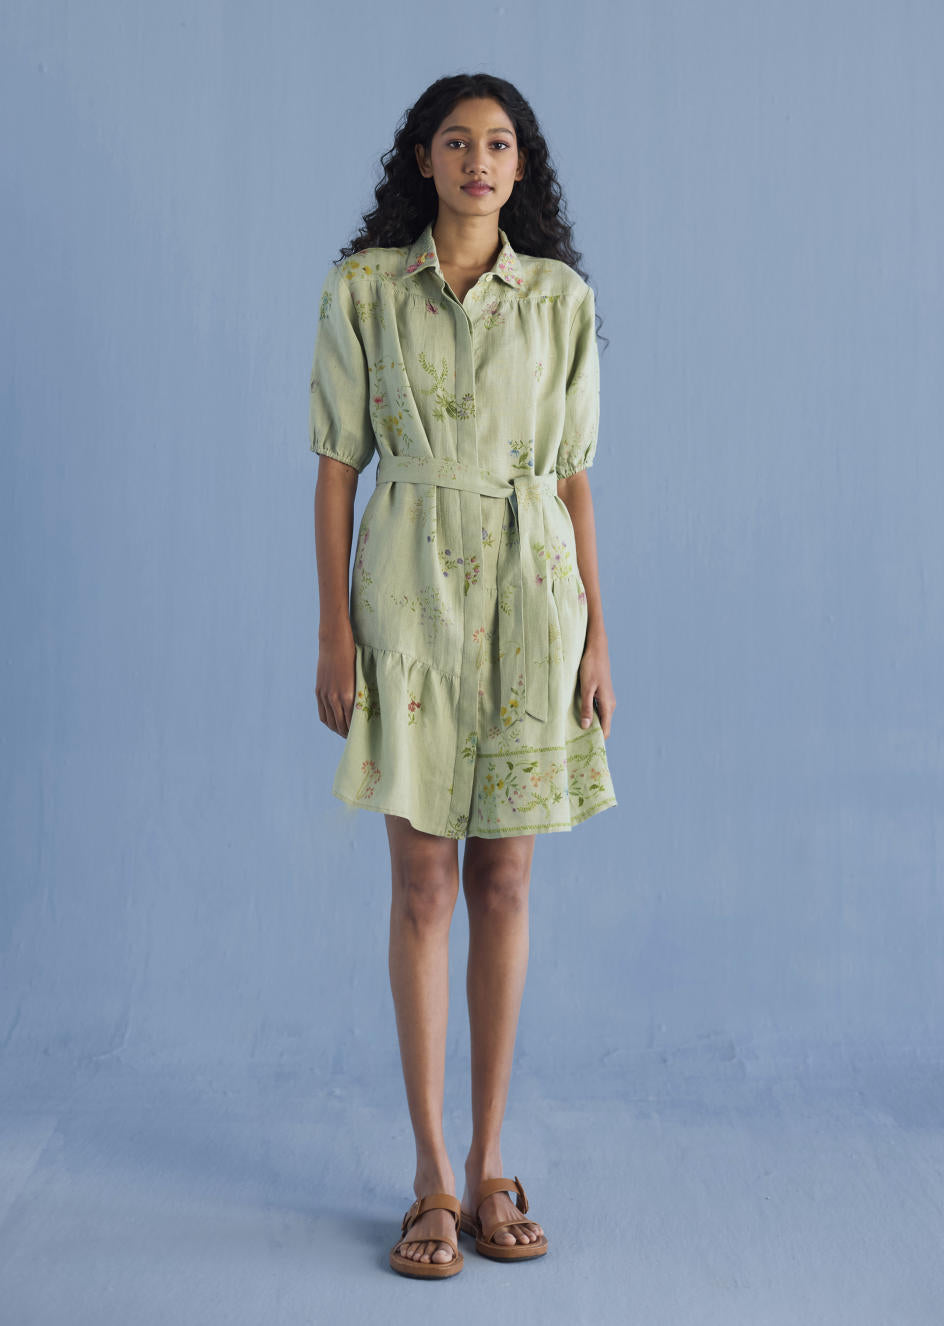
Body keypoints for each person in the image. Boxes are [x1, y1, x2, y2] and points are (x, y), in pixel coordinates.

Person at [308, 72, 618, 1279]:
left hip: (534, 599)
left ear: (520, 166)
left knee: (506, 877)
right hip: (409, 602)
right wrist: (334, 634)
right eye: (456, 141)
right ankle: (431, 1176)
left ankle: (492, 1164)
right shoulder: (365, 291)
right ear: (424, 160)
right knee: (423, 882)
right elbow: (338, 465)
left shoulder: (561, 300)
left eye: (498, 143)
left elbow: (574, 475)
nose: (478, 160)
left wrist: (598, 637)